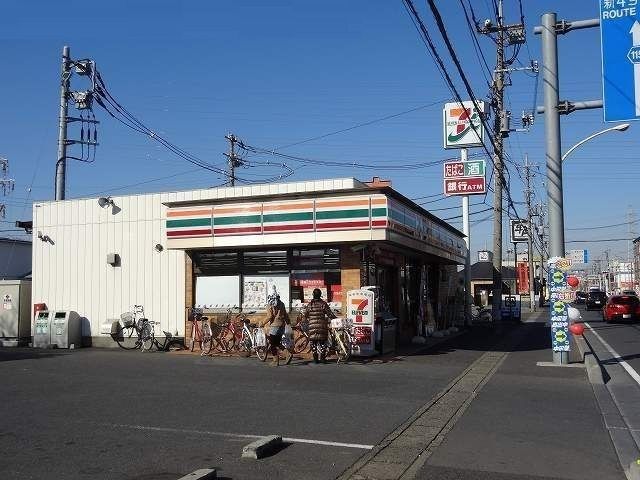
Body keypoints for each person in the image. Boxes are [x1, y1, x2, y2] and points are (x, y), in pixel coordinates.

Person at [302, 288, 336, 364]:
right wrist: (336, 319)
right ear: (320, 295)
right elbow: (330, 314)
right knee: (323, 343)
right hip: (322, 326)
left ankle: (315, 359)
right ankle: (323, 359)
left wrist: (304, 322)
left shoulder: (309, 305)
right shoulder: (323, 304)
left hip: (312, 326)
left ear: (313, 295)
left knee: (313, 343)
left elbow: (305, 316)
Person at [263, 289, 292, 366]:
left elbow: (269, 316)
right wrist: (288, 322)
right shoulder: (281, 303)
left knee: (272, 344)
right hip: (282, 326)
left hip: (274, 327)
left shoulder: (270, 305)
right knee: (277, 343)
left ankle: (275, 361)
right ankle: (288, 354)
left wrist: (262, 323)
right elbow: (285, 314)